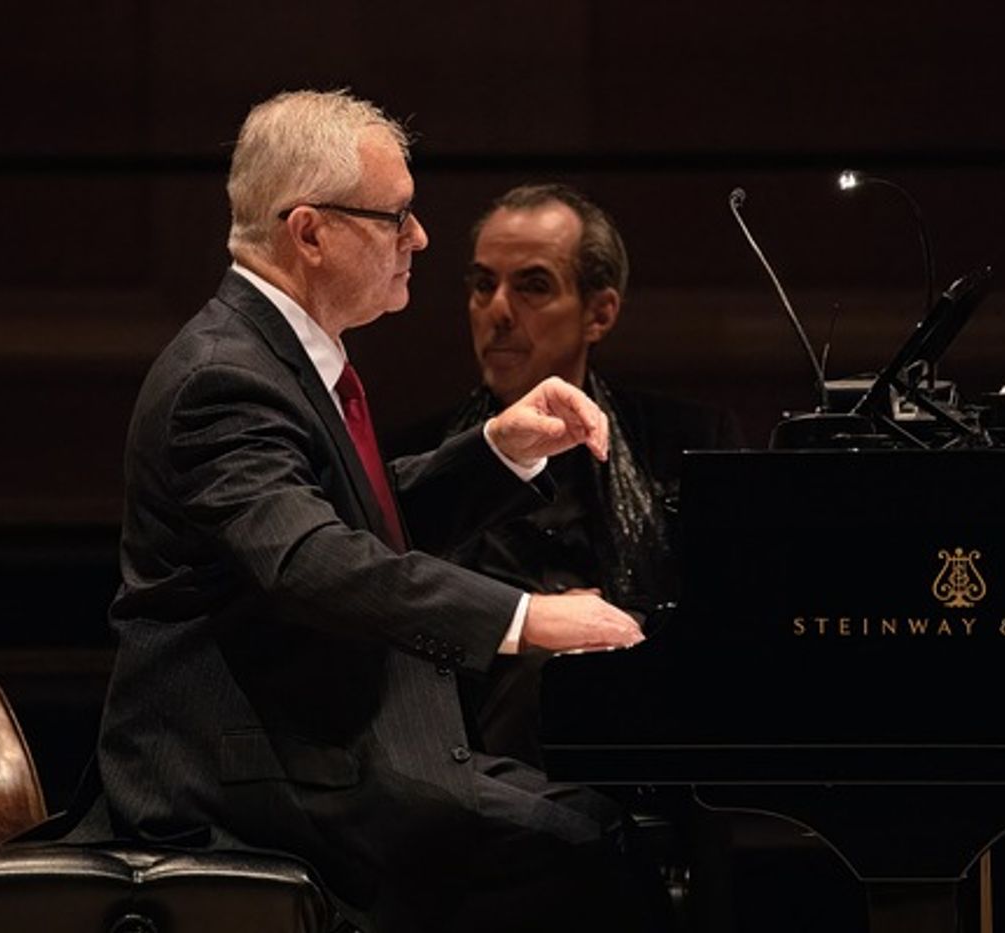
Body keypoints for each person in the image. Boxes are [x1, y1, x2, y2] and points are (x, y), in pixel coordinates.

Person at [91, 90, 670, 933]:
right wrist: (525, 613)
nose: (421, 237)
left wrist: (499, 448)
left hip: (321, 754)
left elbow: (347, 514)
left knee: (610, 825)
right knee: (589, 852)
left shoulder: (273, 353)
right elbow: (310, 560)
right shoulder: (223, 378)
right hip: (251, 782)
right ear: (311, 232)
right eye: (396, 215)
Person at [440, 184, 742, 766]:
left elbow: (728, 621)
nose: (498, 311)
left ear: (599, 313)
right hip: (474, 754)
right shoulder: (415, 455)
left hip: (652, 739)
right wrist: (535, 620)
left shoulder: (692, 442)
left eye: (532, 286)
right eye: (483, 285)